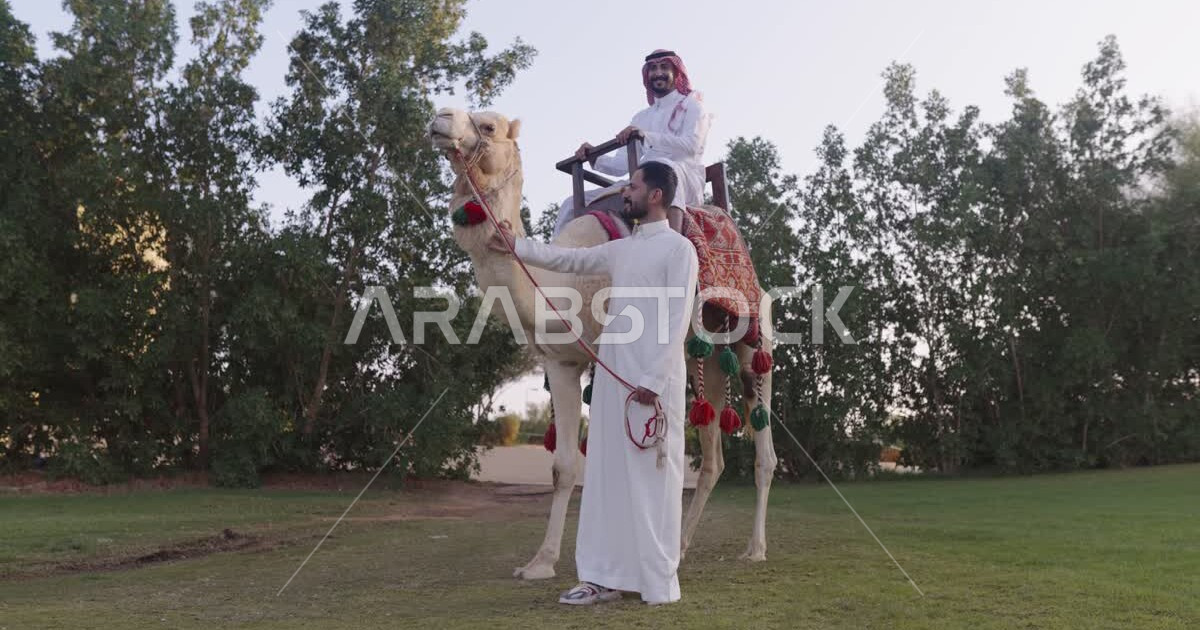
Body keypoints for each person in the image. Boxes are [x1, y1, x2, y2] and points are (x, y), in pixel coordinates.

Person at [490, 162, 699, 606]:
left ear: (656, 195)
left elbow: (679, 319)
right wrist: (515, 246)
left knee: (654, 483)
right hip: (612, 377)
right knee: (604, 480)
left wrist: (653, 379)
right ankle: (600, 577)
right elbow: (568, 259)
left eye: (636, 185)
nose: (628, 190)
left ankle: (655, 582)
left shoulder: (680, 250)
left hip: (652, 383)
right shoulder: (621, 249)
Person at [552, 49, 712, 237]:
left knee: (665, 168)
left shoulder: (692, 105)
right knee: (570, 204)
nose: (658, 72)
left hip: (684, 176)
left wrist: (646, 136)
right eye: (652, 68)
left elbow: (693, 146)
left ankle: (673, 241)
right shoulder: (642, 117)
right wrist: (593, 156)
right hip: (642, 182)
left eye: (664, 67)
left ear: (676, 73)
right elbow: (621, 165)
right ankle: (548, 259)